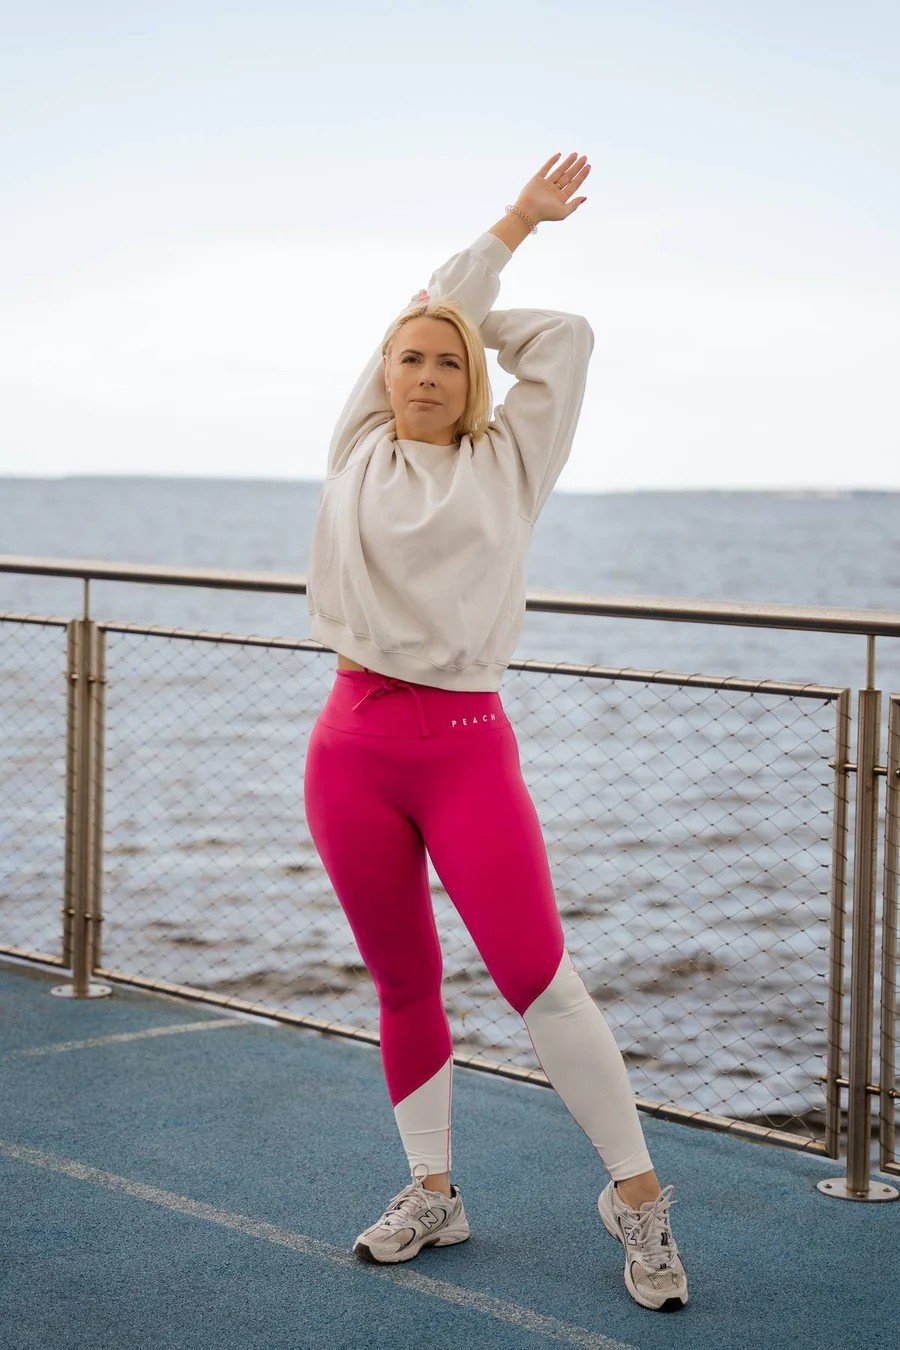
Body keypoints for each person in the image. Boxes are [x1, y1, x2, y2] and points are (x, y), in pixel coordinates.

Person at [302, 151, 689, 1313]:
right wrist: (434, 310)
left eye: (443, 360)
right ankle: (434, 1188)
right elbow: (412, 336)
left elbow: (563, 335)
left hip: (465, 744)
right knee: (403, 977)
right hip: (351, 745)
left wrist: (504, 246)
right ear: (383, 374)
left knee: (538, 976)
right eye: (407, 357)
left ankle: (637, 1198)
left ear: (470, 377)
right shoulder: (357, 444)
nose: (422, 372)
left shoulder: (511, 460)